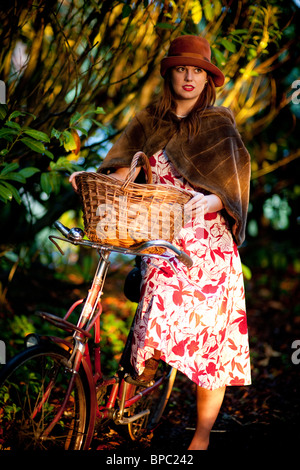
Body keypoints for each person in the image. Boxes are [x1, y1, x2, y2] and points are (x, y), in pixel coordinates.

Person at [70, 35, 251, 450]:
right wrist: (89, 179)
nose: (190, 77)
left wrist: (214, 198)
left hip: (210, 246)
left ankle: (201, 437)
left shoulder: (219, 121)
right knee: (154, 317)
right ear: (169, 73)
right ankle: (137, 384)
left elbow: (236, 183)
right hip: (160, 236)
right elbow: (121, 172)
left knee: (211, 348)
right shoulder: (149, 118)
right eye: (182, 69)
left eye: (198, 70)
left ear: (208, 78)